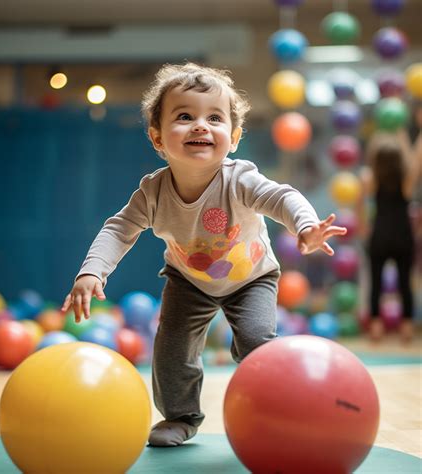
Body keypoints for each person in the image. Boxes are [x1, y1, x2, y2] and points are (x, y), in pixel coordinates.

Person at [61, 63, 346, 447]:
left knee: (258, 341)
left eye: (215, 117)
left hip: (251, 278)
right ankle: (180, 417)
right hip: (188, 281)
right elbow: (119, 228)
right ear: (157, 137)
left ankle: (273, 412)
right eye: (184, 116)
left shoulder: (239, 179)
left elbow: (282, 196)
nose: (200, 125)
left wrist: (306, 227)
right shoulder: (153, 192)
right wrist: (91, 272)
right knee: (172, 347)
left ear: (234, 136)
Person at [358, 128, 421, 343]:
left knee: (376, 284)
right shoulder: (406, 183)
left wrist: (363, 225)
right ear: (400, 160)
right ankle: (406, 330)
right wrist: (405, 135)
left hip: (380, 236)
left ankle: (376, 329)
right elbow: (417, 160)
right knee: (405, 283)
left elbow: (360, 204)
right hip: (404, 237)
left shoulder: (371, 179)